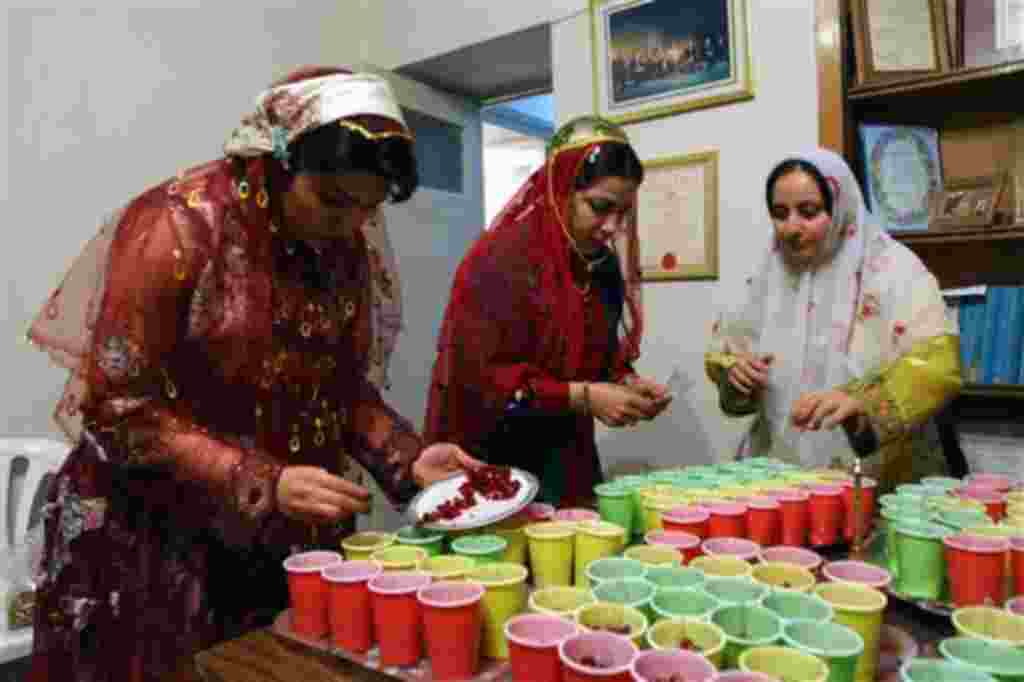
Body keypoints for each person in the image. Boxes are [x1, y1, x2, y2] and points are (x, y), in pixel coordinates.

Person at [25, 66, 480, 682]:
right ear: (278, 162)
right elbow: (117, 410)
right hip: (151, 534)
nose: (350, 226)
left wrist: (409, 458)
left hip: (268, 533)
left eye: (368, 210)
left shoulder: (340, 247)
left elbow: (340, 386)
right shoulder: (179, 228)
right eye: (333, 202)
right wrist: (258, 477)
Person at [424, 116, 672, 507]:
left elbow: (596, 358)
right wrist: (585, 397)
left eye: (623, 213)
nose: (613, 228)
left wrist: (624, 381)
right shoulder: (500, 259)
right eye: (600, 207)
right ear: (560, 191)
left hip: (568, 461)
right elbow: (481, 381)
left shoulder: (602, 268)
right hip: (496, 461)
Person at [706, 148, 961, 488]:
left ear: (841, 207)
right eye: (780, 213)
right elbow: (728, 358)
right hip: (781, 472)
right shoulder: (768, 274)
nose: (791, 228)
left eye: (808, 212)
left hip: (876, 476)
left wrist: (862, 399)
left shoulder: (894, 271)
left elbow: (939, 364)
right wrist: (735, 372)